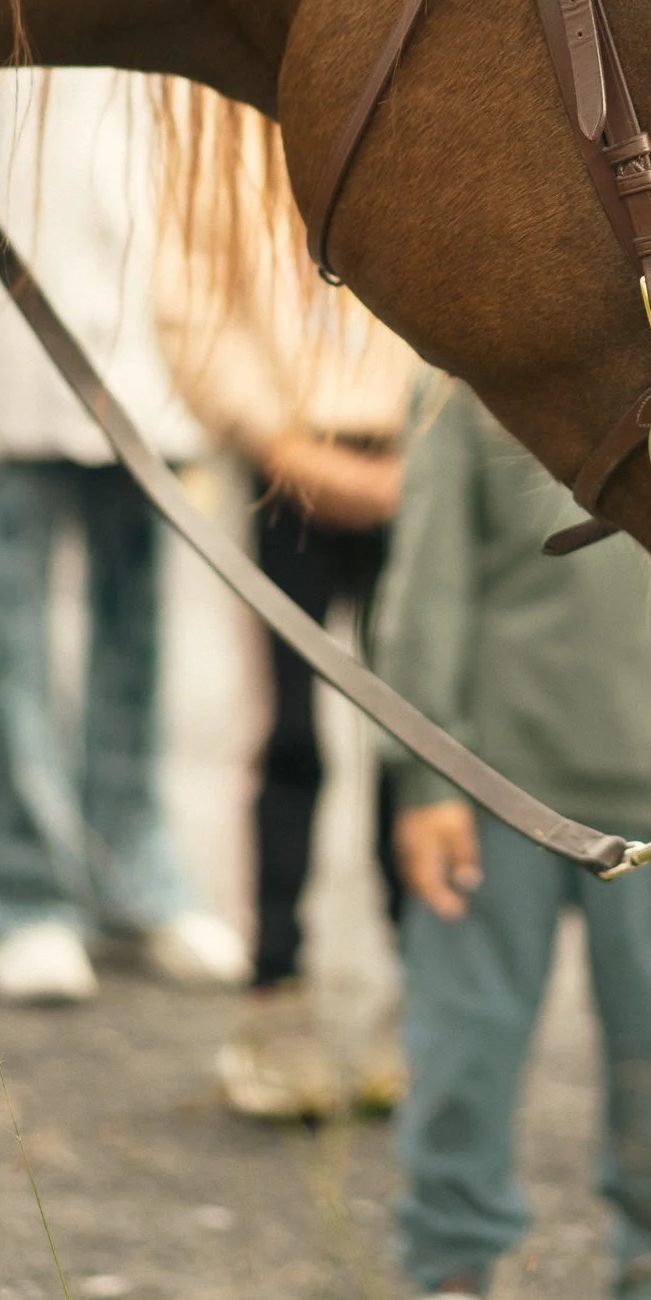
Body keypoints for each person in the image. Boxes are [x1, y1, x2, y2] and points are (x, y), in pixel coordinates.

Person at [372, 384, 651, 1300]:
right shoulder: (472, 392)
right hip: (491, 791)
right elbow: (425, 586)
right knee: (467, 1046)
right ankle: (447, 1292)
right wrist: (427, 777)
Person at [0, 70, 248, 1004]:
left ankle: (135, 878)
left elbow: (193, 206)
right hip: (9, 390)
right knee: (12, 655)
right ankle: (16, 897)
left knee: (139, 647)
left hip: (146, 394)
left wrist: (210, 375)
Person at [155, 117, 416, 1117]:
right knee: (287, 736)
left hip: (407, 458)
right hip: (285, 463)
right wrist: (277, 443)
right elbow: (192, 299)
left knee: (417, 737)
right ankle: (275, 986)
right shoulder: (225, 134)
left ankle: (420, 987)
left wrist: (425, 451)